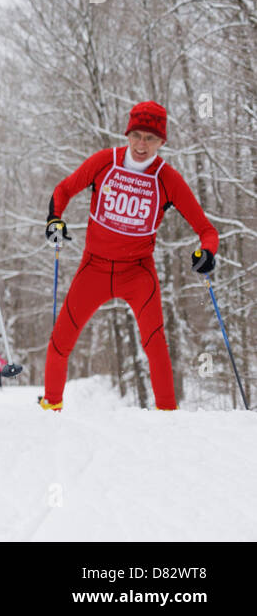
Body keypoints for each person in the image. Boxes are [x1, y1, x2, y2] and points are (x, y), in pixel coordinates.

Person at [40, 101, 218, 411]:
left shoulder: (167, 178)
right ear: (127, 134)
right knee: (59, 343)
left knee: (156, 346)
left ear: (162, 142)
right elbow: (64, 190)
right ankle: (51, 408)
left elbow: (206, 230)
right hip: (93, 268)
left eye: (150, 138)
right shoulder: (103, 162)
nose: (141, 145)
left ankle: (168, 417)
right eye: (136, 135)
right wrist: (54, 219)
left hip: (137, 272)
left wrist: (207, 254)